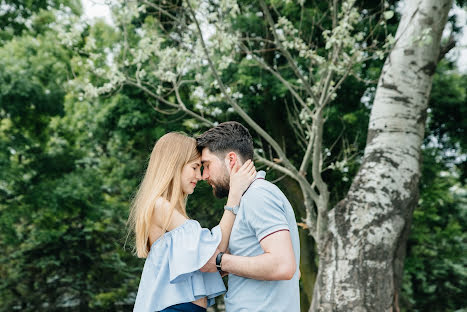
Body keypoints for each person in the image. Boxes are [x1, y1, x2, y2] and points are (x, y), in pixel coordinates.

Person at [128, 132, 256, 312]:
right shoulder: (160, 206)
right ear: (174, 165)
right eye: (195, 167)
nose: (200, 175)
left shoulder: (169, 211)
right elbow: (213, 248)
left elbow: (206, 257)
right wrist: (234, 196)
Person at [196, 121, 300, 312]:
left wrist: (220, 261)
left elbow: (284, 265)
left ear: (231, 160)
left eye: (207, 165)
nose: (204, 175)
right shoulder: (249, 197)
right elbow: (294, 271)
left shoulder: (257, 195)